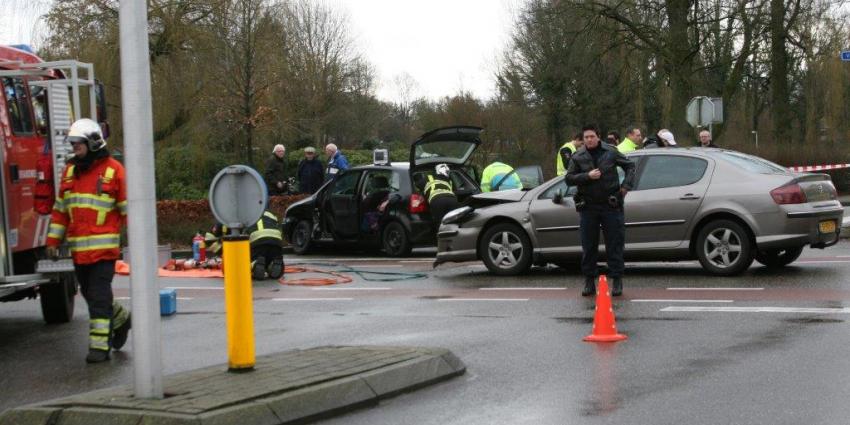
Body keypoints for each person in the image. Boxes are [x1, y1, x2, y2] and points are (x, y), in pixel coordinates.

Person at [46, 118, 131, 363]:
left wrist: (135, 243)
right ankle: (122, 318)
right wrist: (52, 242)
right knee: (93, 296)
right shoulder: (70, 171)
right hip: (79, 252)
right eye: (72, 144)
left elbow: (128, 210)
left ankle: (99, 348)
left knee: (97, 298)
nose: (74, 148)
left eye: (78, 143)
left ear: (93, 143)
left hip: (104, 253)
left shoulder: (114, 170)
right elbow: (61, 210)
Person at [565, 125, 636, 297]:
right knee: (589, 245)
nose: (589, 140)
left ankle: (617, 280)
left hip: (610, 205)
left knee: (615, 243)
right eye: (586, 137)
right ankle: (589, 281)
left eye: (591, 136)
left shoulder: (610, 151)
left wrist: (625, 188)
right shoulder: (578, 156)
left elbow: (630, 166)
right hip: (588, 206)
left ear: (598, 137)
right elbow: (568, 179)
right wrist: (587, 176)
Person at [247, 210, 285, 280]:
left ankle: (255, 263)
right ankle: (274, 262)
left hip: (258, 240)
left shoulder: (247, 214)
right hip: (276, 239)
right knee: (272, 256)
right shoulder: (270, 213)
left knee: (255, 259)